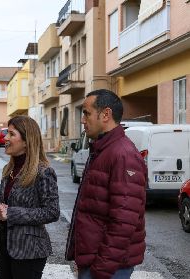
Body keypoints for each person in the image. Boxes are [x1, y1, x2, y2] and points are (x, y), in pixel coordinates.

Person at [65, 89, 147, 279]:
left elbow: (124, 222)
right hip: (97, 261)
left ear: (106, 115)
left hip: (108, 267)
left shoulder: (122, 154)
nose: (82, 120)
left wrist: (101, 269)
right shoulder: (103, 149)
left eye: (86, 113)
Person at [0, 115, 60, 279]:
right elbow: (3, 201)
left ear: (26, 140)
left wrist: (11, 213)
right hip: (4, 246)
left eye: (11, 134)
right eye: (6, 133)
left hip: (29, 251)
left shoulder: (43, 172)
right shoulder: (9, 170)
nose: (5, 138)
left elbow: (52, 212)